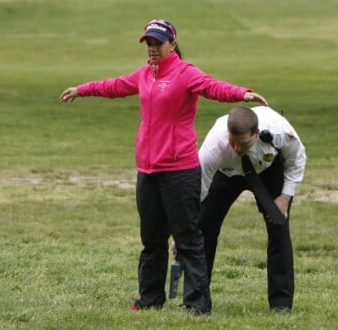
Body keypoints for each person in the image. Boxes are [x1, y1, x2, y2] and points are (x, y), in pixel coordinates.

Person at [60, 19, 268, 315]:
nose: (153, 48)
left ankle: (197, 304)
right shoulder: (145, 74)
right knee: (152, 239)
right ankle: (150, 299)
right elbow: (116, 86)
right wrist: (83, 89)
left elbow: (211, 87)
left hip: (179, 170)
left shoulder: (186, 73)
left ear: (173, 44)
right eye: (149, 43)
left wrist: (242, 94)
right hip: (147, 170)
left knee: (188, 239)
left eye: (158, 43)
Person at [197, 106, 306, 312]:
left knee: (279, 228)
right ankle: (198, 300)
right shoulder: (214, 145)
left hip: (268, 170)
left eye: (244, 142)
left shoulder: (279, 131)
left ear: (256, 134)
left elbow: (297, 159)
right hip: (227, 173)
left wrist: (284, 197)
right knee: (203, 227)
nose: (237, 148)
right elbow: (199, 186)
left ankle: (281, 304)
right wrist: (187, 227)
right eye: (233, 142)